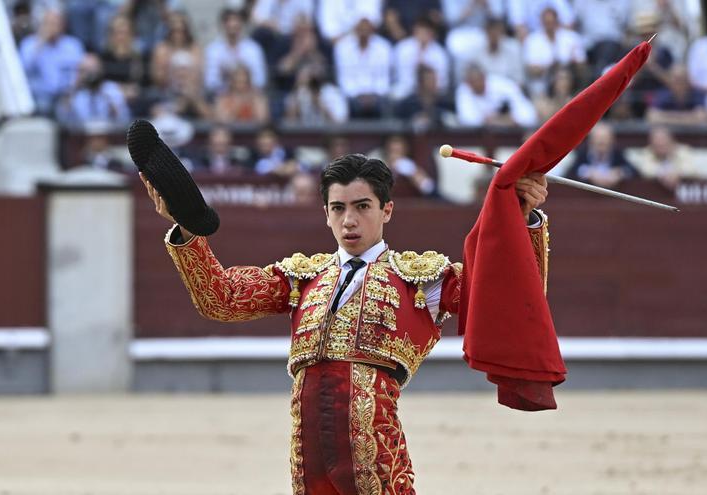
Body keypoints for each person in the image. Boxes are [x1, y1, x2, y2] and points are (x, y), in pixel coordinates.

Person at [141, 152, 549, 493]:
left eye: (362, 206)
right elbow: (223, 298)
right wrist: (187, 230)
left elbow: (513, 297)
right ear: (326, 214)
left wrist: (524, 220)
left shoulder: (422, 278)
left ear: (387, 210)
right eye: (338, 208)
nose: (349, 220)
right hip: (307, 446)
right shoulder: (303, 276)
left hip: (374, 442)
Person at [565, 121, 639, 188]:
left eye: (605, 138)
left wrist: (619, 173)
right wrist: (588, 172)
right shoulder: (582, 154)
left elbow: (633, 171)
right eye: (598, 138)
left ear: (612, 140)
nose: (601, 141)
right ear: (591, 140)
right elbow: (571, 172)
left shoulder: (618, 154)